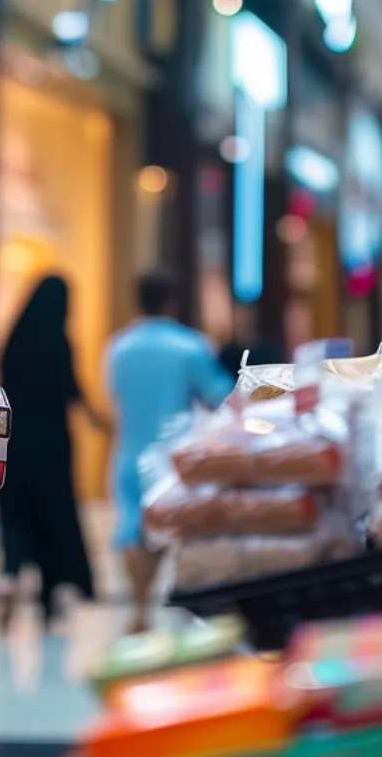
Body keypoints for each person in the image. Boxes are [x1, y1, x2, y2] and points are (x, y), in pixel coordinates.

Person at [105, 271, 236, 633]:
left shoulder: (119, 347)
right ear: (171, 302)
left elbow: (112, 394)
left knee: (131, 528)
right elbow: (219, 394)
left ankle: (139, 607)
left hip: (128, 451)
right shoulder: (190, 346)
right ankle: (179, 603)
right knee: (172, 527)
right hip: (172, 456)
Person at [0, 275, 103, 630]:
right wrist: (98, 418)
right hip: (53, 442)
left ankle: (10, 577)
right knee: (53, 514)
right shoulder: (58, 341)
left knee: (16, 514)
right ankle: (51, 595)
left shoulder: (14, 339)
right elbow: (71, 389)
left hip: (14, 440)